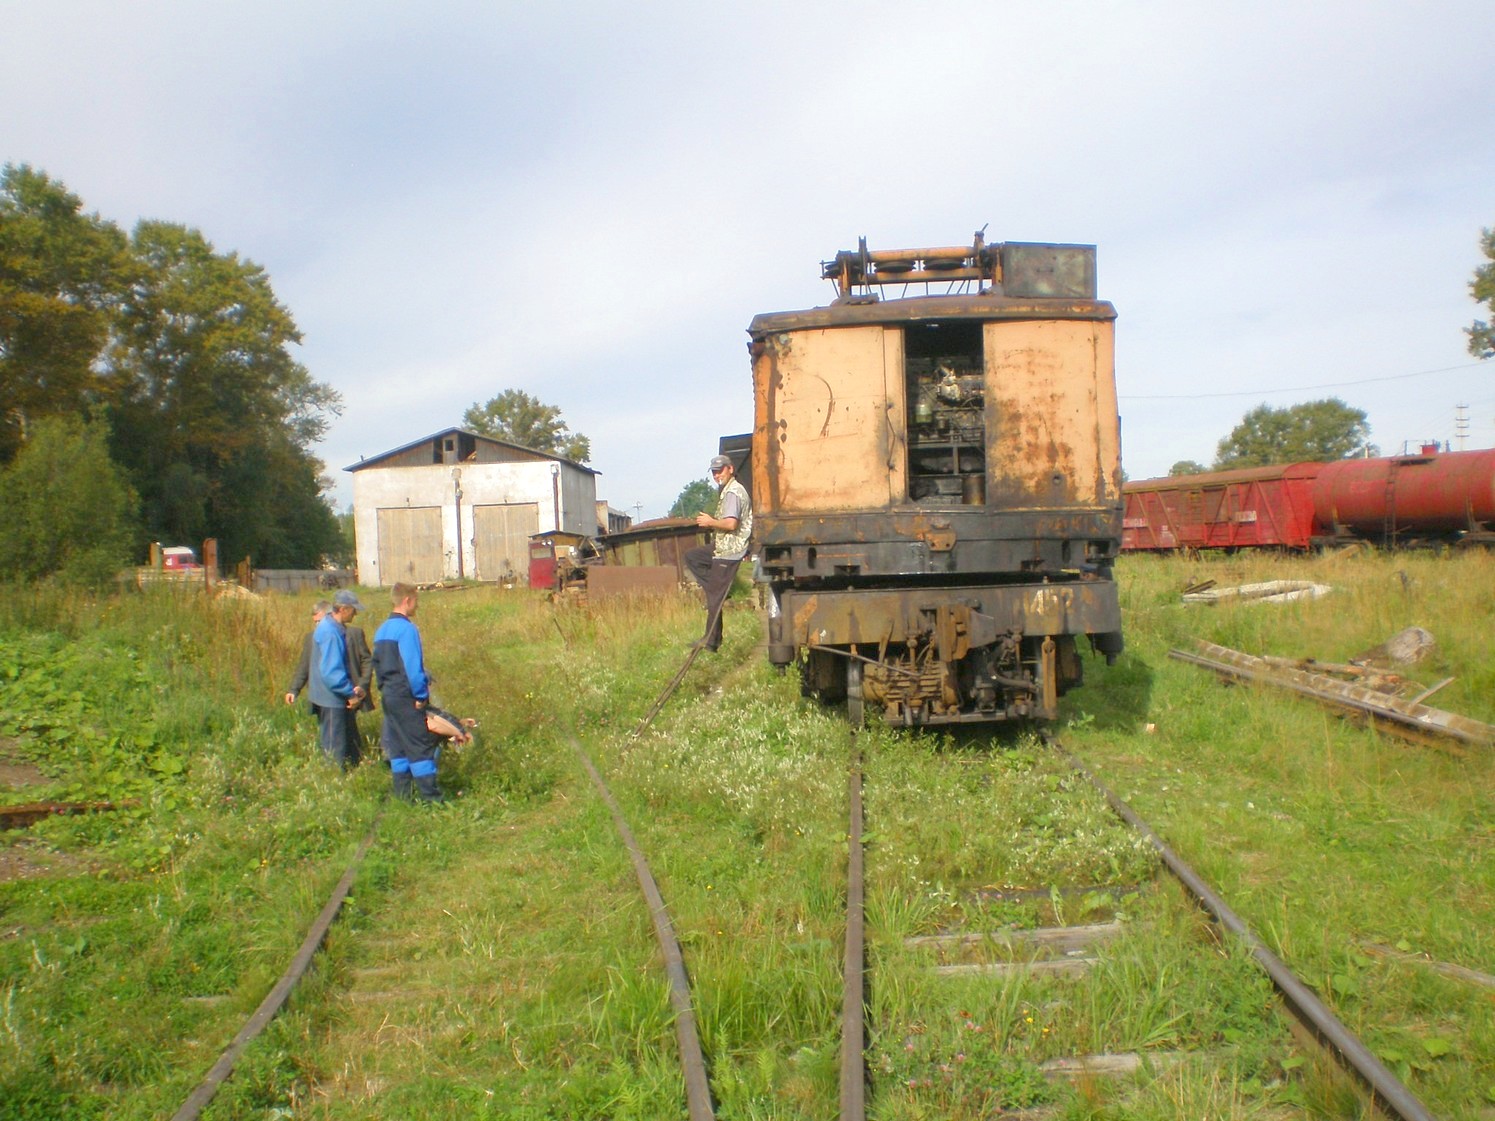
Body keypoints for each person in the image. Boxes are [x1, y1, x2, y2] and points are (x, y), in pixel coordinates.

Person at [372, 582, 442, 802]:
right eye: (416, 602)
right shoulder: (407, 629)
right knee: (419, 747)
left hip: (389, 696)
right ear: (407, 601)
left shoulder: (381, 630)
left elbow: (377, 665)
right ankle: (432, 800)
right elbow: (413, 667)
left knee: (398, 748)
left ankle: (403, 797)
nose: (417, 606)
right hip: (406, 696)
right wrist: (420, 695)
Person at [684, 453, 753, 653]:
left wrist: (711, 522)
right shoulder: (727, 490)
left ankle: (711, 641)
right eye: (714, 472)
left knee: (714, 596)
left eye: (719, 471)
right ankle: (720, 589)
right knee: (693, 557)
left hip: (731, 549)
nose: (716, 475)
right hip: (723, 545)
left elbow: (731, 524)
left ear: (730, 469)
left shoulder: (733, 492)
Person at [308, 589, 367, 769]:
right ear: (343, 609)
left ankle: (344, 776)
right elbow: (331, 672)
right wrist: (349, 693)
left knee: (342, 743)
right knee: (334, 747)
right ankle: (334, 783)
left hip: (327, 696)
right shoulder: (331, 633)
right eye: (353, 609)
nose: (355, 613)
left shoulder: (328, 626)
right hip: (331, 699)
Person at [284, 599, 333, 709]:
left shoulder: (346, 635)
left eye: (320, 621)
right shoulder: (311, 638)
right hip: (318, 695)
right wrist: (293, 690)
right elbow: (304, 666)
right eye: (315, 622)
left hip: (340, 694)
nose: (317, 625)